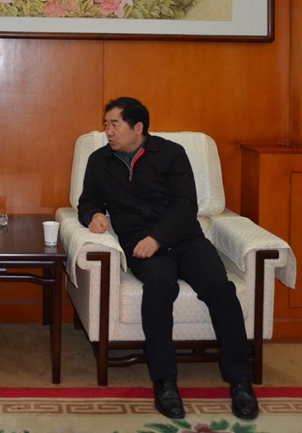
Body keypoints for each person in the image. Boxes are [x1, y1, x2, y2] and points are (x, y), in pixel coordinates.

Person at [77, 97, 259, 420]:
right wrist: (93, 215)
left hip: (185, 240)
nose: (108, 131)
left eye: (114, 124)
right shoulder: (99, 161)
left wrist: (158, 238)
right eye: (106, 124)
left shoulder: (171, 154)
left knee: (220, 287)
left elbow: (186, 205)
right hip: (139, 246)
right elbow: (87, 200)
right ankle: (164, 382)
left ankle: (241, 381)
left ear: (138, 127)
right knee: (159, 287)